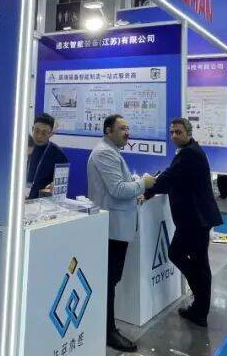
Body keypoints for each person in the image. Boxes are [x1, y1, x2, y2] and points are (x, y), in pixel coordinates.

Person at [144, 118, 222, 326]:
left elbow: (169, 178)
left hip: (194, 219)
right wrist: (153, 189)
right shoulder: (189, 151)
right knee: (199, 262)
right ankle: (200, 308)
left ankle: (199, 299)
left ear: (188, 133)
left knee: (178, 254)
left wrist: (147, 188)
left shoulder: (189, 154)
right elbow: (174, 178)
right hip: (198, 218)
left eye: (178, 132)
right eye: (172, 132)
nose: (174, 136)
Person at [87, 114, 155, 351]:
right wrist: (143, 183)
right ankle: (108, 332)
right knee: (108, 281)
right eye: (122, 128)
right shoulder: (104, 153)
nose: (127, 133)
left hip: (116, 227)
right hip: (111, 229)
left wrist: (136, 186)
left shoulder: (112, 152)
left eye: (128, 128)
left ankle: (107, 327)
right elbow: (117, 189)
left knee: (111, 279)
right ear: (108, 131)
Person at [26, 113, 68, 199]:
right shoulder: (21, 147)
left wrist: (54, 186)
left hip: (41, 201)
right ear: (32, 129)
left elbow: (61, 183)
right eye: (37, 131)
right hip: (17, 198)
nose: (39, 136)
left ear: (51, 134)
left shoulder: (58, 155)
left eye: (44, 133)